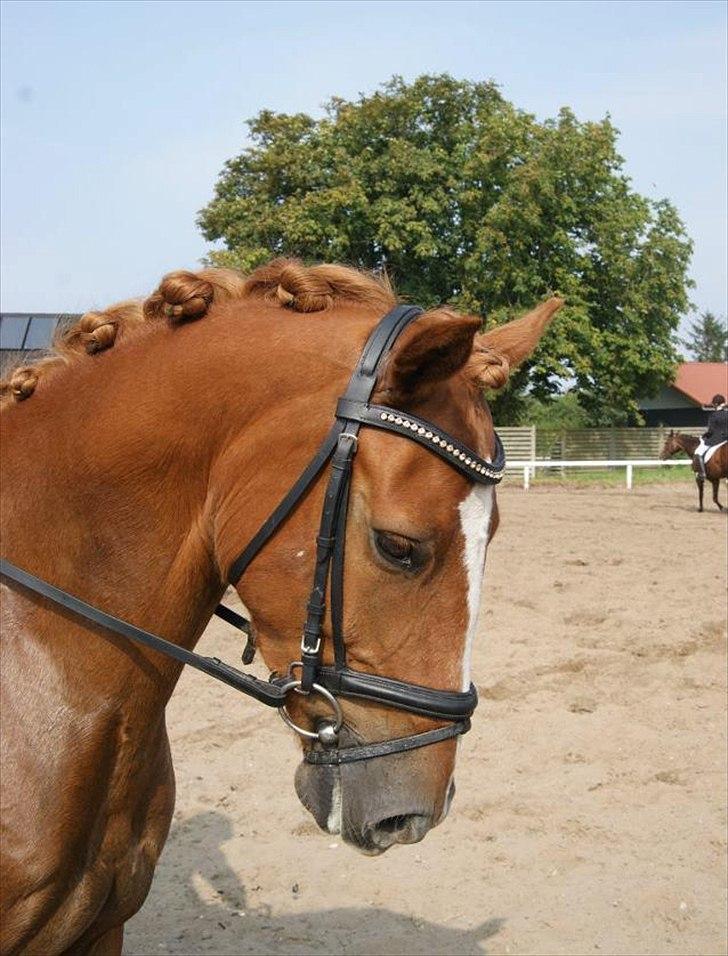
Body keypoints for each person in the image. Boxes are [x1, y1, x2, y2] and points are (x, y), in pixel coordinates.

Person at [694, 393, 728, 478]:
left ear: (716, 404)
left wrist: (703, 436)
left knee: (698, 452)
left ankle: (702, 473)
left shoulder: (713, 416)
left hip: (717, 440)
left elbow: (711, 431)